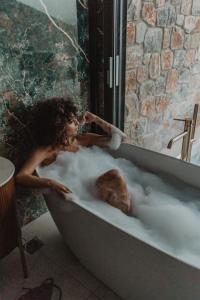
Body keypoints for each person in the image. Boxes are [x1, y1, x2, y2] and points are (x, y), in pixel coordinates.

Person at [16, 96, 132, 214]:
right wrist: (51, 183)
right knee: (115, 175)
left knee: (116, 175)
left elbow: (121, 139)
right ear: (59, 125)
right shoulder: (46, 151)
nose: (77, 122)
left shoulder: (83, 139)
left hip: (97, 188)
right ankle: (125, 217)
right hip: (83, 193)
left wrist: (96, 119)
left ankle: (125, 216)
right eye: (71, 121)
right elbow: (21, 176)